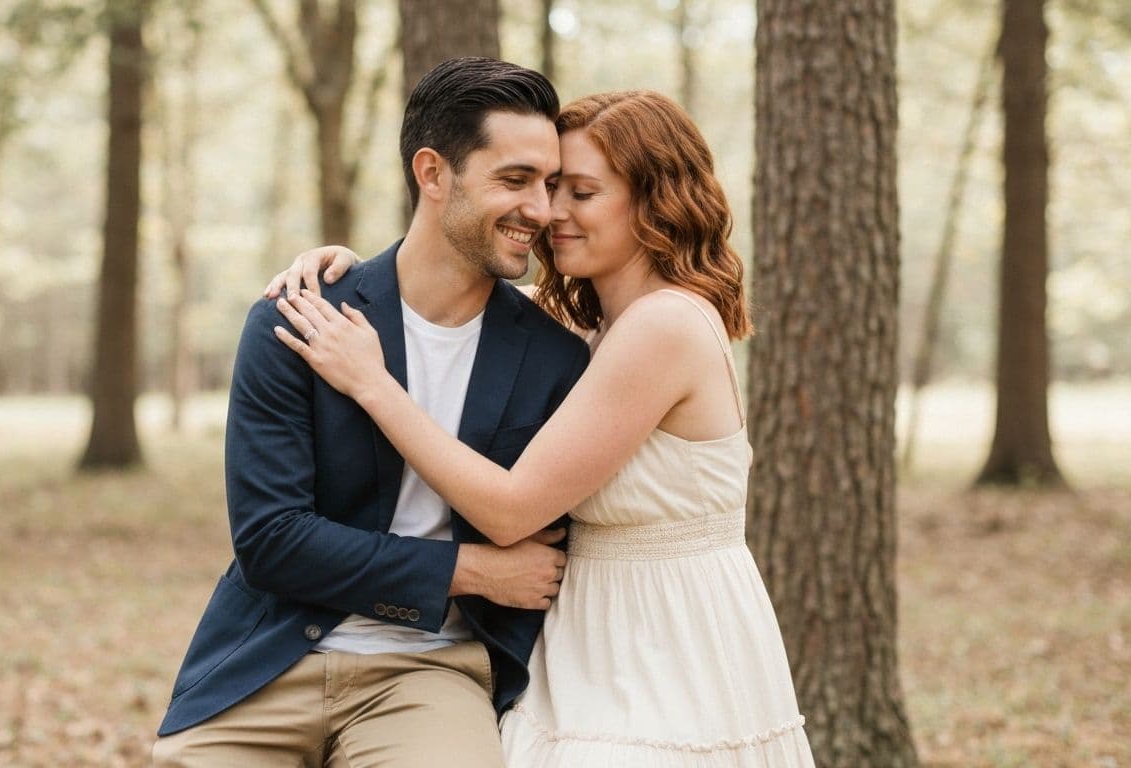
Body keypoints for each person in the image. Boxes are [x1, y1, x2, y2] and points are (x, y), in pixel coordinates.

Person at [269, 90, 816, 766]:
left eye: (581, 192)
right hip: (588, 633)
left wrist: (374, 385)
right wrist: (345, 271)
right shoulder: (590, 323)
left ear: (655, 202)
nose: (551, 212)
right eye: (551, 186)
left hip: (664, 637)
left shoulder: (664, 325)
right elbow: (437, 286)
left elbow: (510, 509)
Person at [152, 58, 593, 768]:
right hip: (269, 657)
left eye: (547, 184)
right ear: (432, 173)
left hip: (431, 671)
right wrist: (471, 568)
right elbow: (271, 542)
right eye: (514, 181)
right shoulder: (296, 321)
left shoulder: (555, 361)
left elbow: (541, 538)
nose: (540, 211)